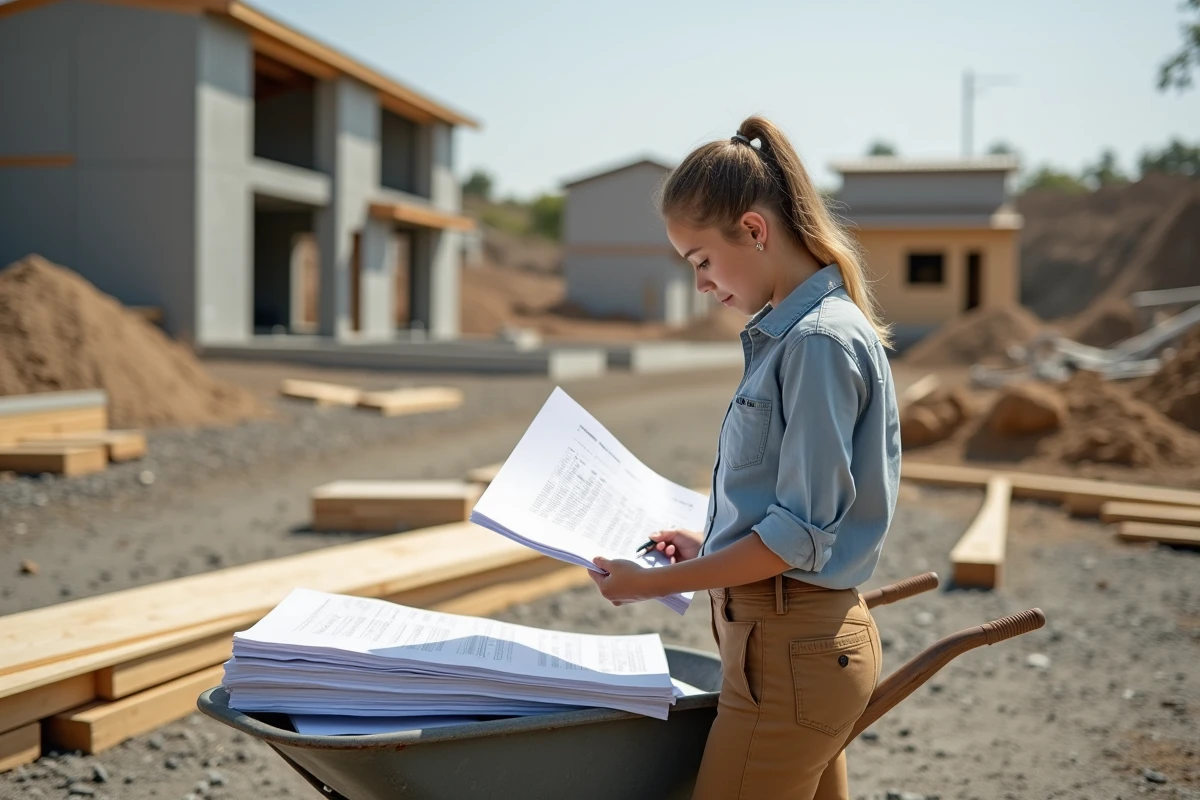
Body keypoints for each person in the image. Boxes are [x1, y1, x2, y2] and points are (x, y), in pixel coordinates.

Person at [588, 115, 901, 800]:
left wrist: (648, 585)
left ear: (755, 231)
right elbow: (791, 516)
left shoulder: (817, 342)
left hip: (790, 659)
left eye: (701, 259)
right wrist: (710, 543)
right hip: (788, 652)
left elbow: (797, 537)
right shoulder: (795, 336)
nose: (700, 283)